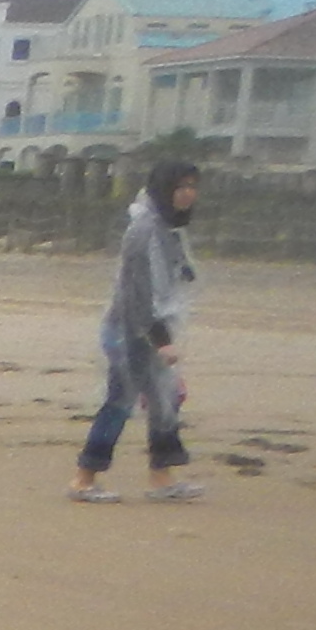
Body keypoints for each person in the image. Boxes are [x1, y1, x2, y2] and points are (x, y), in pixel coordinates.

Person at [75, 159, 205, 503]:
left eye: (192, 186)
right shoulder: (145, 230)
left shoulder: (168, 227)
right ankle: (84, 478)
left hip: (150, 329)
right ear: (164, 189)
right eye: (180, 187)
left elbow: (173, 281)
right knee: (121, 400)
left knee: (168, 398)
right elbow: (136, 293)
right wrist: (160, 340)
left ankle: (161, 477)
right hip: (129, 330)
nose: (188, 193)